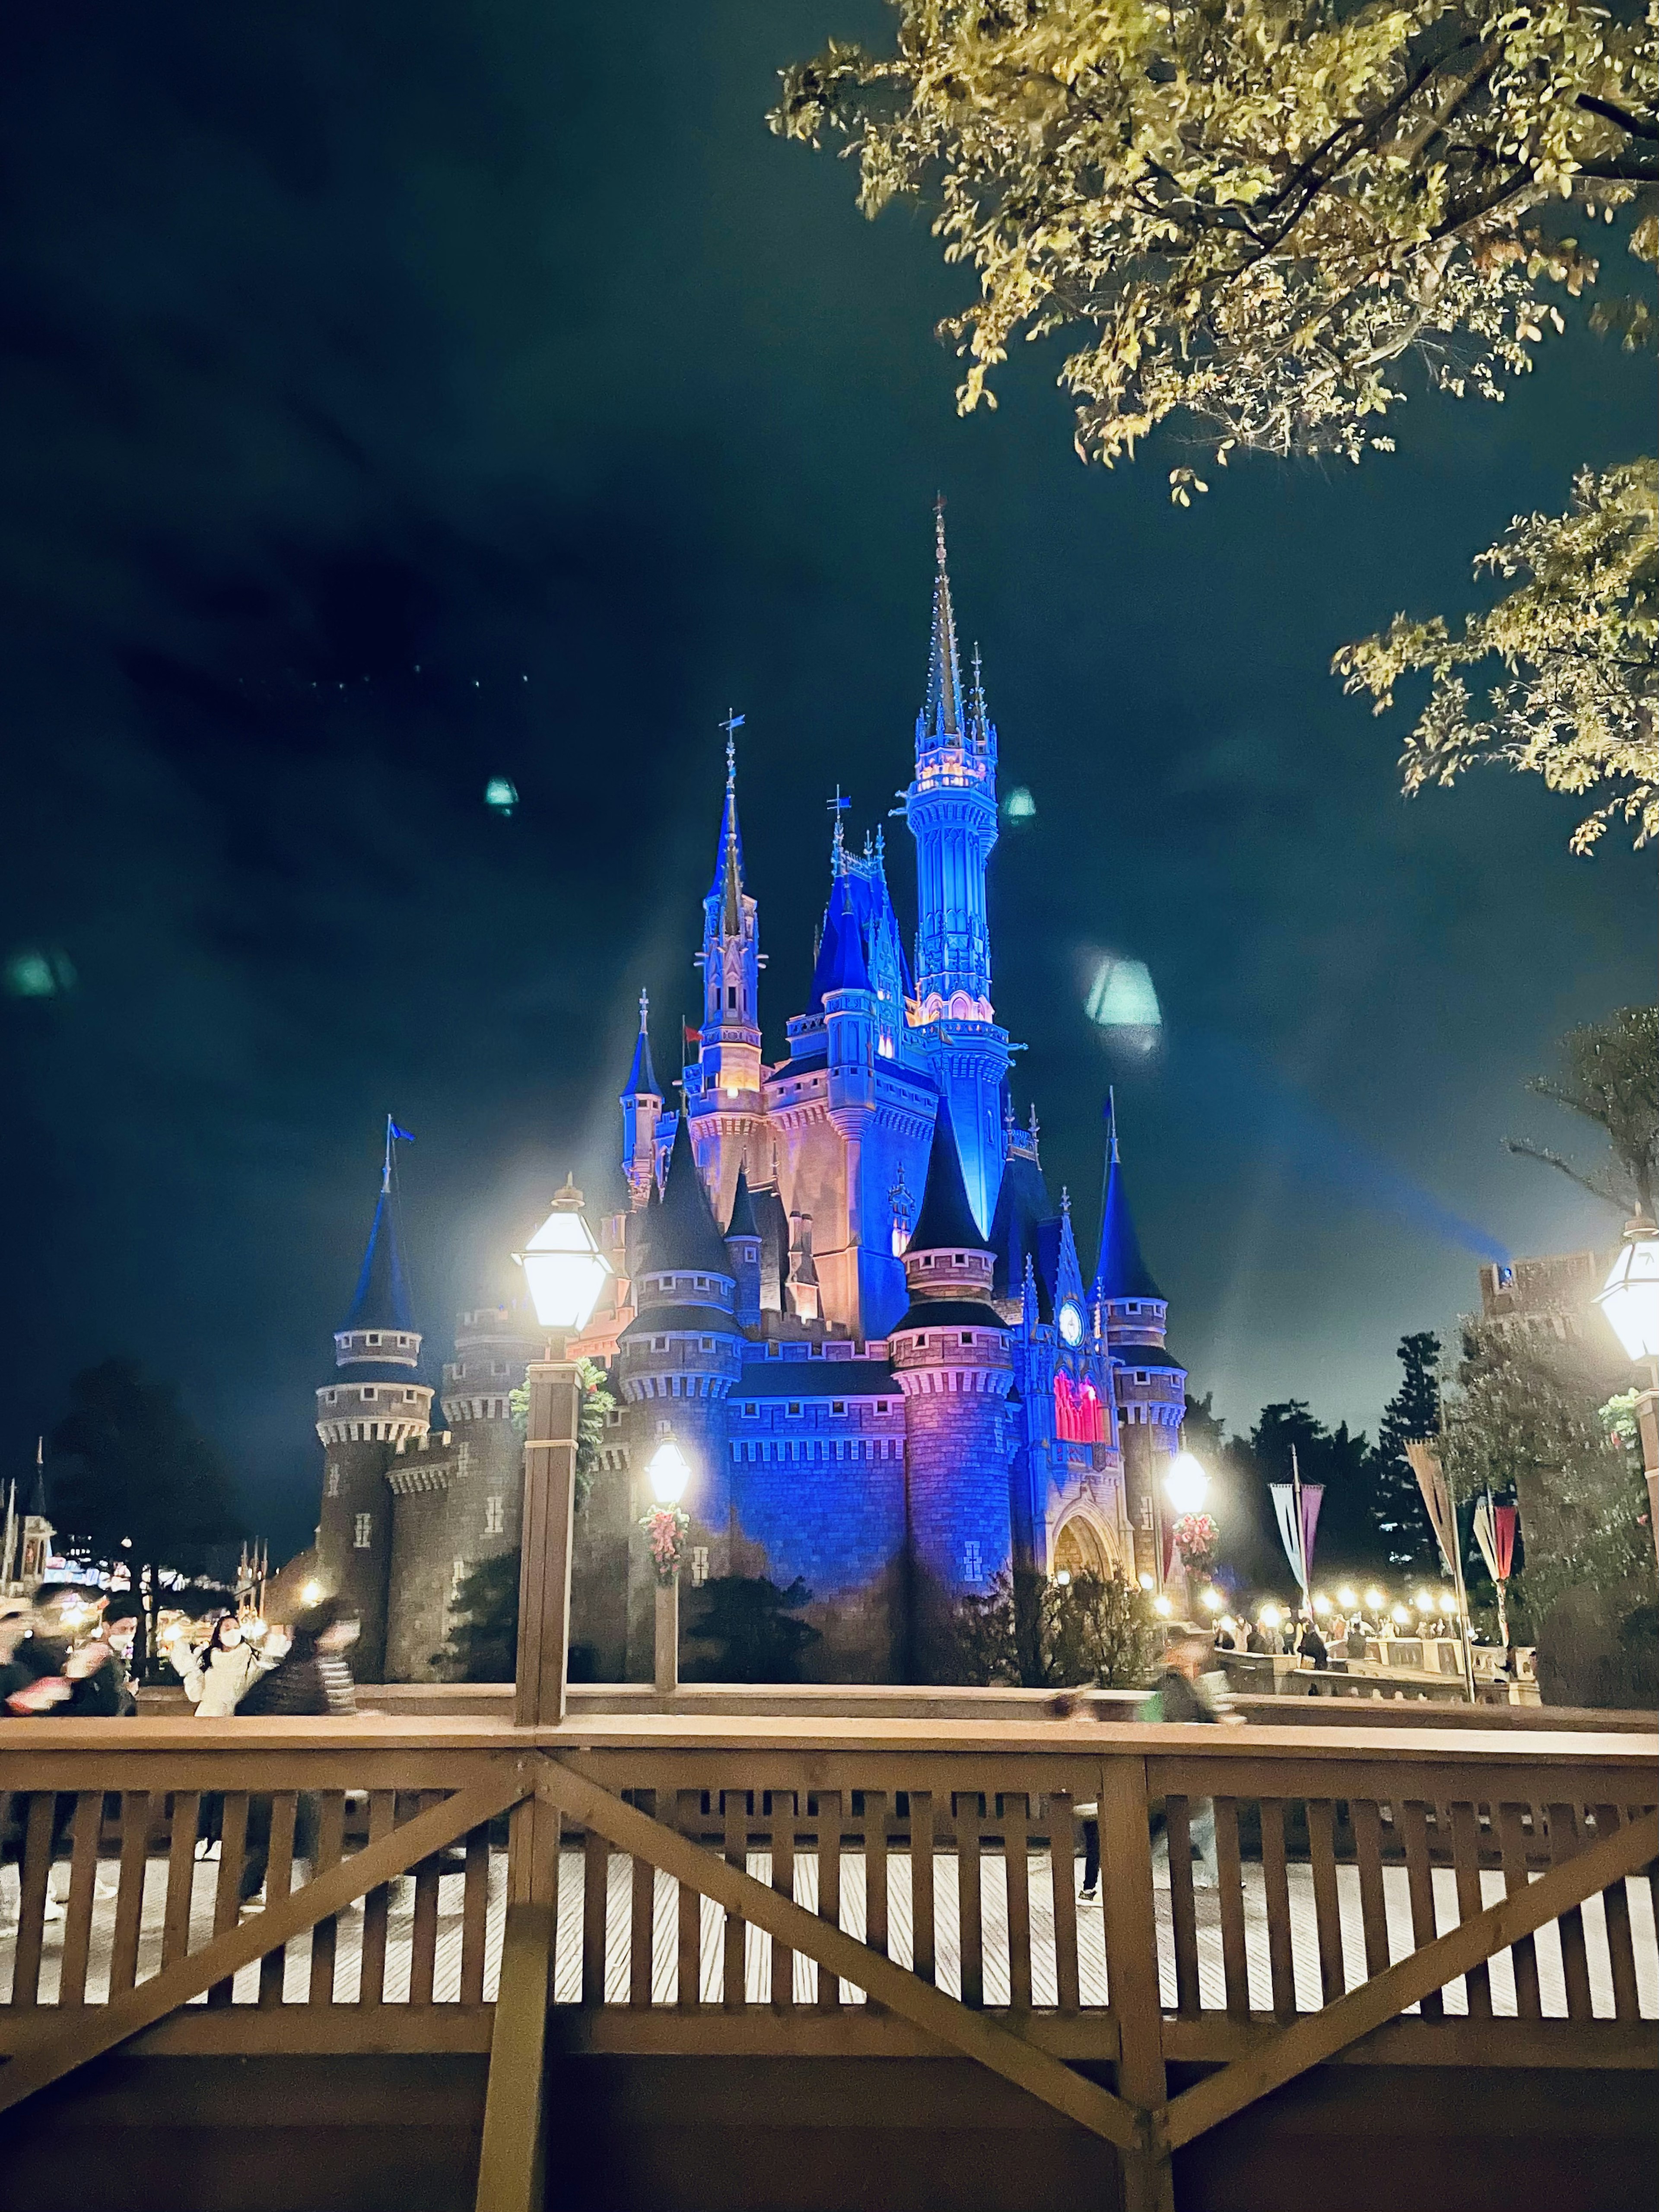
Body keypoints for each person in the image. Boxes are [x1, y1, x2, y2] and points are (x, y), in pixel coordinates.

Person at [235, 1601, 361, 1907]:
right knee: (306, 1821)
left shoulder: (309, 1664)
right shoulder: (309, 1669)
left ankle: (244, 1893)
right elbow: (299, 1713)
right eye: (346, 1624)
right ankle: (331, 1896)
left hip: (290, 1766)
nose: (352, 1632)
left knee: (277, 1834)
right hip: (290, 1766)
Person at [168, 1612, 279, 1717]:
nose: (233, 1632)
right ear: (219, 1636)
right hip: (207, 1718)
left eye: (236, 1628)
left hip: (237, 1721)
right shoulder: (208, 1659)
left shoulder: (251, 1660)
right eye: (228, 1628)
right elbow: (195, 1694)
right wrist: (190, 1669)